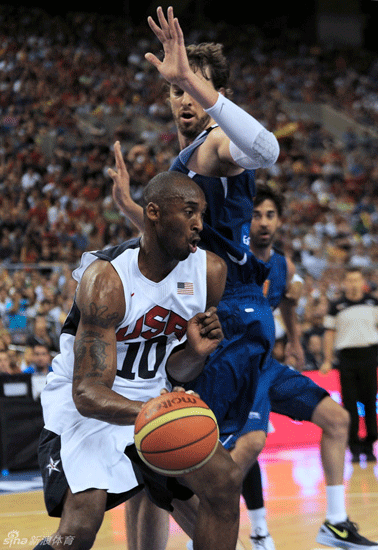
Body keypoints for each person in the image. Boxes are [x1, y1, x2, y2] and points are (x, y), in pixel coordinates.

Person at [111, 8, 377, 550]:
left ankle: (253, 536)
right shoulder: (189, 158)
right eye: (176, 91)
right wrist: (130, 211)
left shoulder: (215, 144)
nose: (183, 99)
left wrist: (191, 80)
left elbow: (268, 149)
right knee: (163, 468)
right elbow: (186, 241)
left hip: (224, 315)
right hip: (211, 310)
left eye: (195, 87)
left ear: (216, 92)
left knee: (182, 468)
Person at [31, 169, 245, 550]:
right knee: (80, 527)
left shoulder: (210, 272)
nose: (200, 224)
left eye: (203, 214)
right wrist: (155, 411)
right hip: (86, 406)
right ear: (154, 212)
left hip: (154, 397)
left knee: (224, 481)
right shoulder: (107, 279)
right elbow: (88, 392)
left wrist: (194, 353)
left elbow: (174, 368)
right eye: (190, 212)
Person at [222, 184, 378, 550]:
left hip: (269, 366)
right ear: (245, 222)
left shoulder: (283, 265)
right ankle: (244, 531)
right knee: (248, 448)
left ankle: (336, 524)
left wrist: (293, 339)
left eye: (270, 215)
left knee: (339, 420)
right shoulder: (230, 260)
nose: (263, 222)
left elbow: (289, 302)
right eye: (256, 214)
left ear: (279, 221)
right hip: (235, 370)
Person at [321, 266, 378, 463]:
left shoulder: (373, 303)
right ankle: (354, 447)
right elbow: (329, 334)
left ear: (362, 282)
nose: (353, 284)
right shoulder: (336, 306)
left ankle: (370, 444)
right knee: (350, 405)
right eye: (350, 280)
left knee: (370, 403)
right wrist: (327, 359)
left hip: (369, 355)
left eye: (357, 280)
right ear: (344, 283)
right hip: (346, 358)